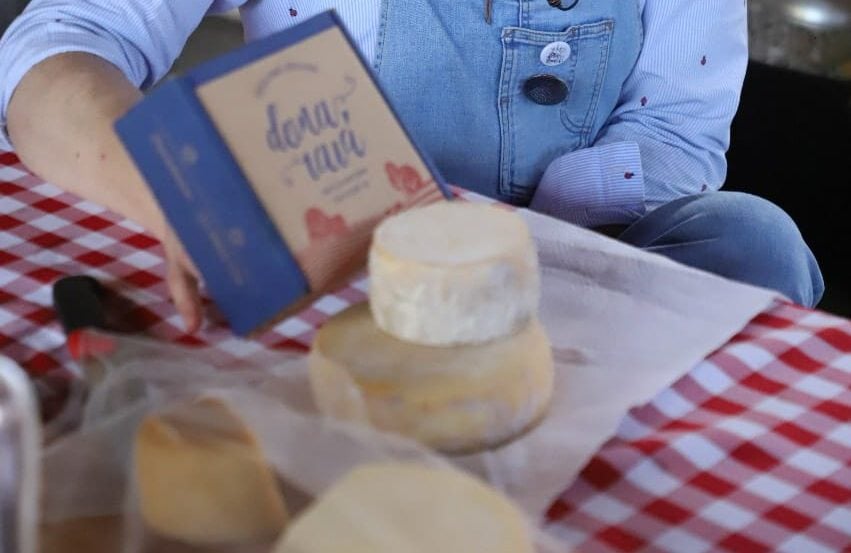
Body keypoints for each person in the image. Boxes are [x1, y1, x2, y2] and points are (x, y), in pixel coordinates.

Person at [0, 0, 824, 333]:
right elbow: (56, 46)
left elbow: (680, 126)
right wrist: (177, 188)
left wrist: (529, 230)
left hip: (585, 274)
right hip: (337, 279)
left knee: (759, 243)